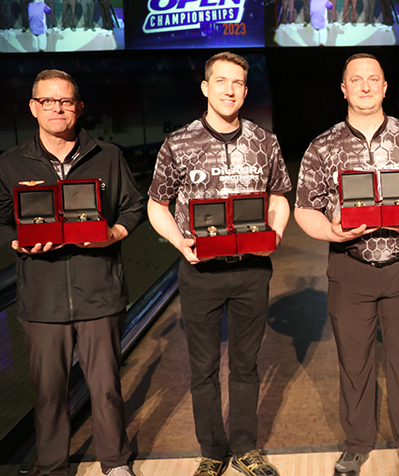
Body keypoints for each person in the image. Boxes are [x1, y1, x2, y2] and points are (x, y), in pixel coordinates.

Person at [294, 53, 399, 476]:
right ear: (343, 89)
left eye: (373, 79)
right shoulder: (321, 146)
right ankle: (357, 443)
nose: (364, 86)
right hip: (349, 266)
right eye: (355, 80)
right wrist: (331, 232)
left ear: (385, 87)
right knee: (355, 359)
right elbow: (304, 209)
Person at [147, 52, 291, 476]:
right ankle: (212, 450)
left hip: (251, 270)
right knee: (204, 367)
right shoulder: (179, 142)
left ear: (246, 91)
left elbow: (280, 196)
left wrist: (275, 236)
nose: (230, 90)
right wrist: (181, 243)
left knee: (245, 365)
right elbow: (157, 205)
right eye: (222, 81)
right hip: (200, 271)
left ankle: (245, 447)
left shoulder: (266, 142)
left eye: (238, 83)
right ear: (206, 88)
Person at [0, 70, 143, 476]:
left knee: (106, 388)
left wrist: (114, 232)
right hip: (42, 299)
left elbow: (133, 207)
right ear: (33, 107)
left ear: (79, 108)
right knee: (48, 394)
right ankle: (52, 466)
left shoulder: (108, 156)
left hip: (100, 292)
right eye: (48, 101)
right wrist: (15, 242)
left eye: (65, 101)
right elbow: (0, 220)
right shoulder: (10, 164)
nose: (57, 108)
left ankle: (115, 463)